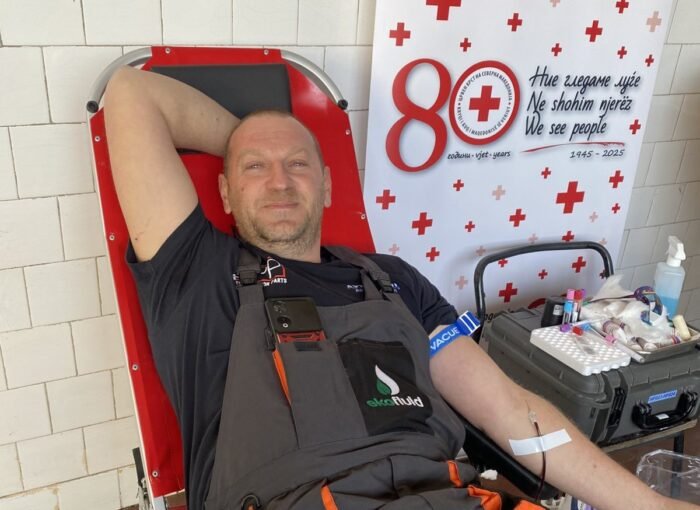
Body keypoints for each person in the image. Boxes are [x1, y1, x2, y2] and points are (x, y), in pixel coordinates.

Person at [104, 66, 696, 510]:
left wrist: (653, 506)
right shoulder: (198, 273)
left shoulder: (393, 281)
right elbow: (132, 95)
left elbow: (512, 412)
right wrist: (252, 135)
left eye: (298, 164)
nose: (280, 181)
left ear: (328, 186)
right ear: (226, 193)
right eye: (254, 168)